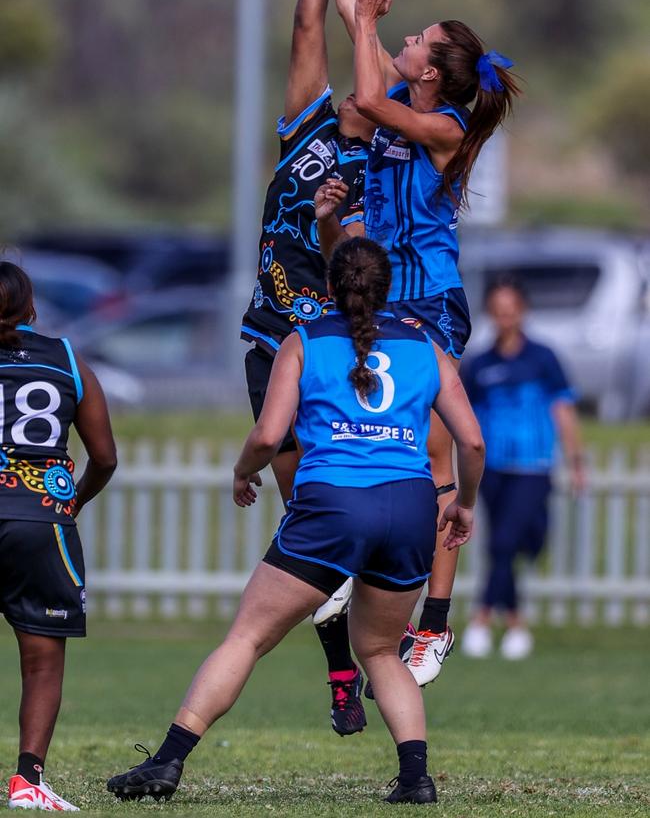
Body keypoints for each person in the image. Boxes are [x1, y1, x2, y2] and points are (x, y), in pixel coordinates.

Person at [107, 237, 484, 807]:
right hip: (411, 505)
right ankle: (415, 778)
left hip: (334, 502)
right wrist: (465, 504)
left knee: (249, 636)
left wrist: (242, 471)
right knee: (381, 651)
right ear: (388, 290)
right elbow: (472, 440)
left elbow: (267, 435)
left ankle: (167, 761)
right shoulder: (427, 346)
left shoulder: (303, 340)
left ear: (329, 288)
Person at [315, 0, 520, 686]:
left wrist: (367, 23)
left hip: (428, 297)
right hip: (381, 289)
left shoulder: (441, 126)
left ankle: (432, 626)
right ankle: (356, 579)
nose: (404, 39)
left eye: (418, 40)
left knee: (435, 454)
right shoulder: (403, 94)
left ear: (433, 76)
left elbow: (362, 82)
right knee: (370, 442)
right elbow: (348, 15)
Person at [239, 0, 382, 735]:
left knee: (328, 508)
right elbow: (305, 24)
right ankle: (340, 671)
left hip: (330, 349)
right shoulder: (309, 125)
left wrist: (335, 223)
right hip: (269, 337)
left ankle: (369, 650)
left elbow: (353, 257)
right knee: (304, 514)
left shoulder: (380, 160)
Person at [0, 261, 117, 811]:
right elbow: (104, 457)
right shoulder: (67, 358)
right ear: (32, 310)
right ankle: (28, 781)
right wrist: (66, 502)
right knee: (41, 659)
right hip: (40, 522)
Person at [460, 276, 585, 659]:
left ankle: (483, 618)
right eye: (497, 311)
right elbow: (464, 422)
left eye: (510, 310)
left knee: (518, 542)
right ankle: (510, 623)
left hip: (533, 466)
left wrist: (576, 459)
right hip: (493, 468)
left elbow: (563, 410)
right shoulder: (479, 365)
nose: (504, 318)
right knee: (502, 546)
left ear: (523, 312)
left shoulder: (543, 359)